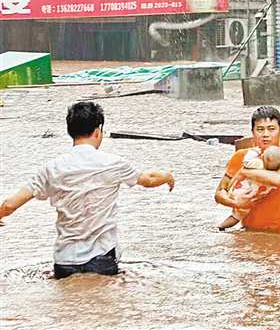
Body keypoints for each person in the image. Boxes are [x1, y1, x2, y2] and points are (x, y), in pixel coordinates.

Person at [0, 102, 175, 279]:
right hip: (102, 258)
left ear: (70, 131)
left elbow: (9, 205)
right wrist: (167, 176)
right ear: (98, 130)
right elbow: (148, 180)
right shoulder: (113, 163)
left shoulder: (52, 168)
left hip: (64, 262)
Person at [214, 106, 280, 234]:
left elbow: (278, 180)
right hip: (245, 236)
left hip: (278, 235)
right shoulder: (241, 156)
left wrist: (245, 172)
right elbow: (219, 193)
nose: (265, 134)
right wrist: (237, 203)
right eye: (260, 129)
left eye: (271, 129)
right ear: (253, 132)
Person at [217, 145, 280, 230]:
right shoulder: (274, 176)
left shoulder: (259, 164)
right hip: (250, 198)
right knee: (236, 217)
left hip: (239, 192)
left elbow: (246, 162)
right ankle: (222, 226)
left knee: (227, 191)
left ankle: (224, 195)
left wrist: (254, 152)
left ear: (262, 157)